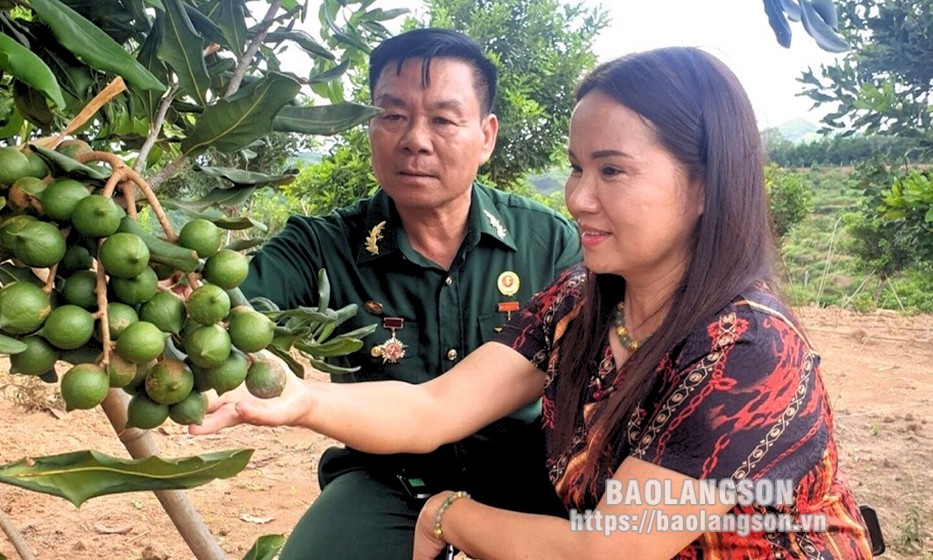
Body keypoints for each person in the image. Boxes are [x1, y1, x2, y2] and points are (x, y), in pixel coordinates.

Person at [194, 47, 874, 558]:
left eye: (611, 170)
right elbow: (434, 407)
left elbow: (603, 553)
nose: (577, 197)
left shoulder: (745, 351)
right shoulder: (583, 299)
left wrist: (446, 515)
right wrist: (302, 401)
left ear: (703, 185)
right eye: (577, 167)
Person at [230, 28, 582, 559]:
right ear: (371, 126)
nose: (415, 138)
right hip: (385, 476)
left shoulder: (549, 242)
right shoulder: (321, 245)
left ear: (486, 136)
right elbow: (227, 303)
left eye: (443, 119)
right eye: (393, 115)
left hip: (530, 474)